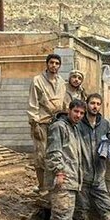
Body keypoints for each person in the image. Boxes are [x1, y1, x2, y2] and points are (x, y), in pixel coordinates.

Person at [45, 99, 86, 220]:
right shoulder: (59, 127)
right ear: (69, 110)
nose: (78, 115)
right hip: (64, 180)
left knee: (57, 216)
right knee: (63, 218)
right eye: (76, 111)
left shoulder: (73, 128)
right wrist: (59, 172)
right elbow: (54, 152)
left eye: (81, 113)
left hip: (72, 180)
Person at [27, 54, 67, 190]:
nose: (54, 65)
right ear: (47, 64)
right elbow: (33, 103)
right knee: (41, 155)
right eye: (51, 63)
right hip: (42, 123)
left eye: (57, 63)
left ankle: (53, 186)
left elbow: (64, 103)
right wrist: (34, 123)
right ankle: (42, 186)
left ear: (59, 66)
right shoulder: (37, 80)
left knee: (55, 154)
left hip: (57, 123)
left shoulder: (62, 82)